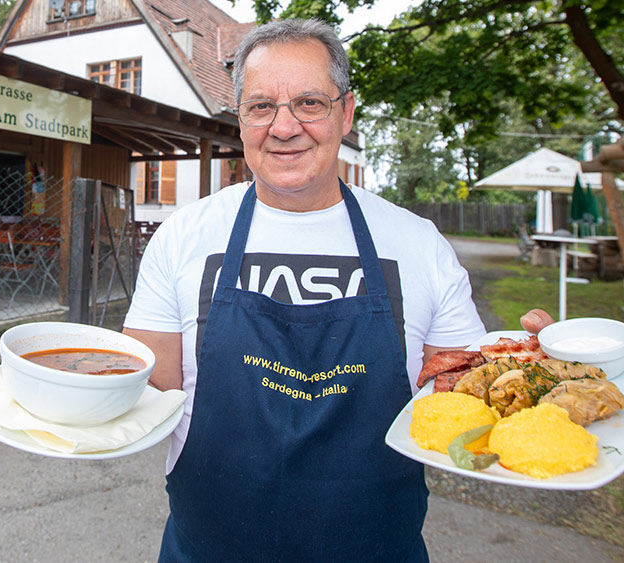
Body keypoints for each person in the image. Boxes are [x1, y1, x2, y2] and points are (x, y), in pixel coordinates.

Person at [123, 18, 554, 562]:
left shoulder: (418, 245)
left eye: (308, 103)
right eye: (261, 107)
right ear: (240, 120)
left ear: (345, 112)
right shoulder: (181, 238)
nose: (283, 127)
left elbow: (467, 393)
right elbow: (143, 395)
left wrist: (538, 366)